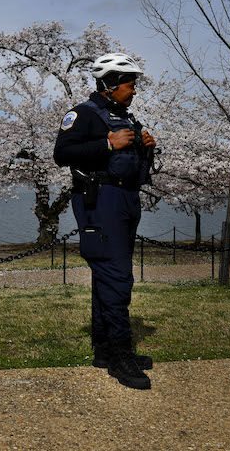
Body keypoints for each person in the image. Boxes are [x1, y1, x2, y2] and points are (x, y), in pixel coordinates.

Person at [53, 53, 156, 390]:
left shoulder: (126, 117)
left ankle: (105, 350)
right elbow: (62, 154)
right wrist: (107, 143)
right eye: (130, 85)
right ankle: (121, 356)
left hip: (126, 200)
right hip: (100, 201)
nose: (134, 91)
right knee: (117, 278)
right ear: (110, 83)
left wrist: (146, 149)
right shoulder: (82, 114)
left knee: (108, 276)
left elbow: (135, 169)